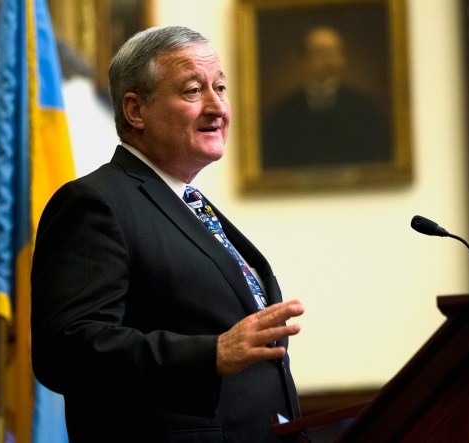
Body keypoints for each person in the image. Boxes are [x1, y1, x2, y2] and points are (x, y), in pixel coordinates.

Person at [31, 25, 305, 442]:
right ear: (135, 110)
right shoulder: (95, 203)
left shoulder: (192, 207)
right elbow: (67, 349)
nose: (218, 107)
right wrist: (211, 354)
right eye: (194, 91)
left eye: (221, 88)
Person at [262, 26, 391, 169]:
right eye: (320, 53)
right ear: (304, 60)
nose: (329, 61)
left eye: (334, 53)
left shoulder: (364, 109)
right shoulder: (283, 114)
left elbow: (375, 159)